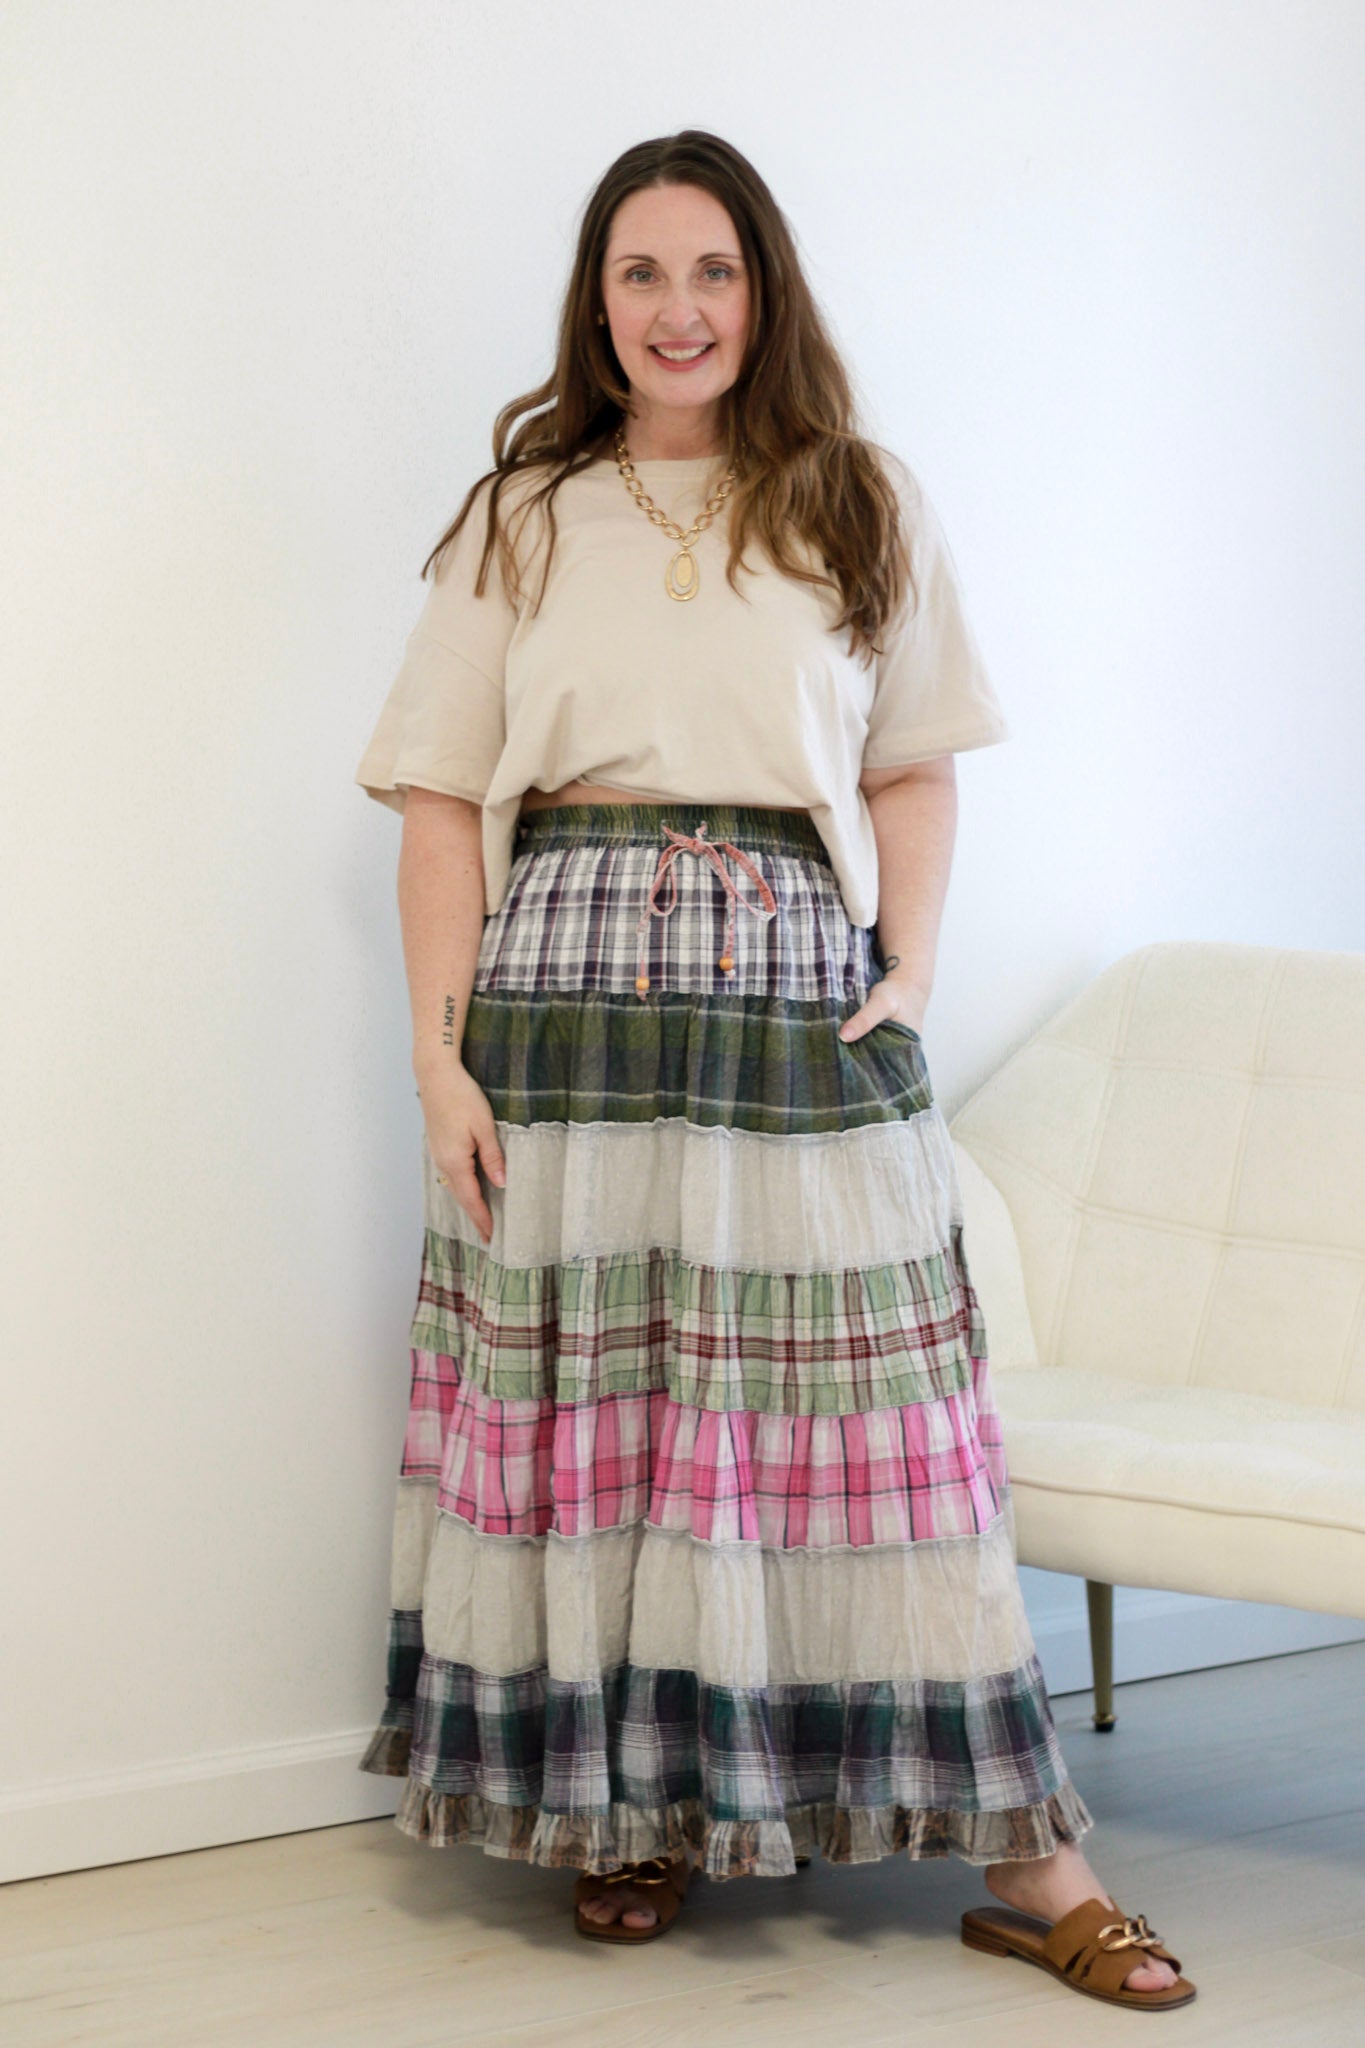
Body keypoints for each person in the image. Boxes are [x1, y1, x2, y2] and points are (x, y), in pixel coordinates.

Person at [352, 130, 1195, 2014]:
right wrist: (435, 1059)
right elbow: (436, 800)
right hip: (561, 987)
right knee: (609, 1404)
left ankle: (1028, 1858)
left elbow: (912, 761)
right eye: (641, 273)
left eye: (713, 271)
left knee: (876, 1415)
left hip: (793, 979)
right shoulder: (520, 516)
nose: (679, 310)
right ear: (597, 303)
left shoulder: (858, 500)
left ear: (765, 291)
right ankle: (631, 1806)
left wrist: (910, 962)